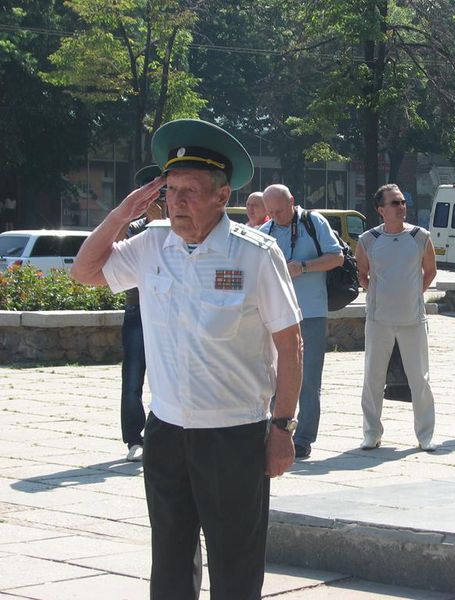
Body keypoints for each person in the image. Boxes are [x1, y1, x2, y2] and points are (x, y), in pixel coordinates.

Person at [71, 118, 303, 600]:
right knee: (170, 564)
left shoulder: (254, 254)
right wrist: (120, 214)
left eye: (190, 191)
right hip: (167, 431)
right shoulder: (152, 243)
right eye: (171, 191)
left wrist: (281, 428)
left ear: (223, 197)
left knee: (235, 566)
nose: (177, 202)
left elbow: (290, 343)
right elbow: (84, 270)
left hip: (234, 433)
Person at [261, 184, 343, 459]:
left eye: (280, 210)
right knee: (273, 376)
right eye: (270, 211)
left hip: (311, 311)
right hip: (276, 315)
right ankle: (274, 430)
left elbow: (337, 257)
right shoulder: (265, 232)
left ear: (292, 202)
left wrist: (304, 266)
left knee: (308, 378)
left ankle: (305, 437)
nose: (275, 216)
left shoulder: (313, 222)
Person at [356, 183, 437, 451]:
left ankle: (425, 435)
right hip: (379, 320)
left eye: (402, 202)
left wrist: (414, 294)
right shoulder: (368, 240)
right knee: (373, 377)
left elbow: (430, 271)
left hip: (413, 319)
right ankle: (371, 432)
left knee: (419, 379)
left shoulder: (419, 236)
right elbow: (363, 274)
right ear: (381, 210)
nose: (400, 207)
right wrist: (379, 296)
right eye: (394, 203)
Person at [117, 164, 166, 462]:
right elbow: (115, 246)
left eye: (162, 192)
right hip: (138, 310)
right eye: (152, 194)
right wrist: (144, 220)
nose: (159, 200)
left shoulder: (182, 224)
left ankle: (162, 433)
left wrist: (163, 224)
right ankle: (134, 438)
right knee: (133, 377)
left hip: (170, 310)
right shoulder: (135, 226)